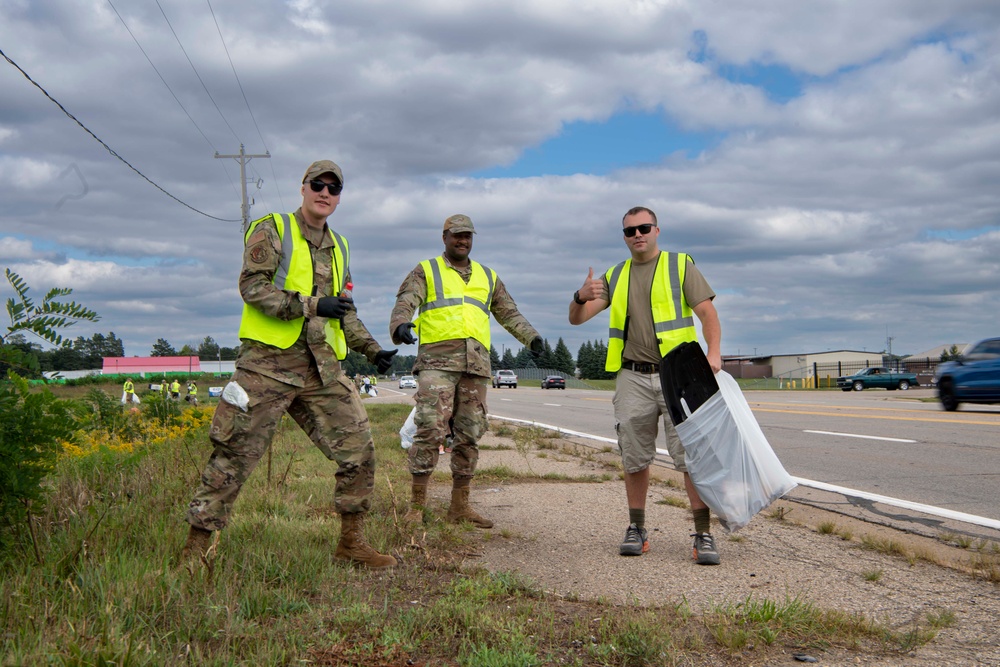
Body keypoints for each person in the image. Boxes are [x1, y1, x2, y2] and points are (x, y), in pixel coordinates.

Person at [182, 159, 399, 569]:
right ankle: (195, 553)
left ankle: (351, 545)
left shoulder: (342, 246)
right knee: (234, 455)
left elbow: (343, 311)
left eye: (334, 188)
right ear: (303, 187)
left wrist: (372, 351)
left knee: (360, 451)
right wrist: (313, 304)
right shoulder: (273, 228)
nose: (325, 193)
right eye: (318, 184)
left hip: (322, 370)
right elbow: (252, 287)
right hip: (266, 366)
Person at [569, 206, 723, 565]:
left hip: (680, 375)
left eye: (644, 228)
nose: (637, 235)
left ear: (657, 230)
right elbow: (577, 319)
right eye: (629, 231)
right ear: (624, 237)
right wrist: (579, 296)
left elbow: (707, 314)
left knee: (692, 458)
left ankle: (703, 534)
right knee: (634, 456)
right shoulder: (615, 275)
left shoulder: (680, 264)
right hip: (632, 376)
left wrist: (713, 354)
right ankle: (637, 528)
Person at [390, 214, 543, 529]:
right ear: (444, 237)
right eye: (457, 236)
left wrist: (531, 337)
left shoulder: (487, 276)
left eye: (467, 236)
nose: (463, 241)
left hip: (475, 365)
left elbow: (508, 311)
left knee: (470, 432)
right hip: (436, 362)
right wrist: (400, 325)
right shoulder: (426, 270)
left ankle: (459, 506)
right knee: (430, 429)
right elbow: (405, 301)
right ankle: (416, 507)